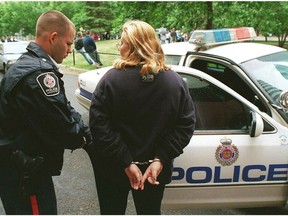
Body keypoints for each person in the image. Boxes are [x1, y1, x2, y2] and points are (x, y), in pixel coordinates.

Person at [89, 20, 196, 215]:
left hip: (114, 166)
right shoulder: (175, 81)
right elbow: (186, 125)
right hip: (154, 171)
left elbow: (99, 126)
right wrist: (160, 159)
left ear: (133, 46)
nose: (119, 47)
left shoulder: (110, 80)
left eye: (122, 42)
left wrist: (125, 162)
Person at [0, 10, 92, 215]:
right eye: (68, 44)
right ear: (53, 38)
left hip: (20, 168)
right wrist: (84, 137)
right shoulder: (39, 75)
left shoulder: (27, 65)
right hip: (26, 175)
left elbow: (65, 109)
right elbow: (62, 126)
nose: (70, 50)